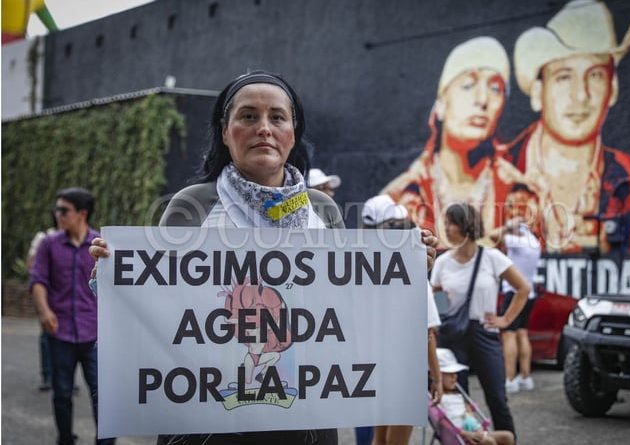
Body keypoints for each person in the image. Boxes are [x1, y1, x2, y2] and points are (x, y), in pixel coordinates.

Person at [89, 70, 439, 445]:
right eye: (248, 116)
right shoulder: (193, 205)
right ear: (225, 131)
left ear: (293, 132)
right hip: (208, 416)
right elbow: (160, 307)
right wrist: (115, 276)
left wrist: (404, 273)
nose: (264, 128)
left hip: (309, 413)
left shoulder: (322, 210)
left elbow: (351, 305)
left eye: (277, 117)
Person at [496, 0, 630, 253]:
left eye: (595, 75)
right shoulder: (494, 176)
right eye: (564, 77)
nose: (580, 95)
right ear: (538, 93)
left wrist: (616, 254)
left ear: (612, 89)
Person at [382, 36, 512, 247]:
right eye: (468, 85)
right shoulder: (401, 194)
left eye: (495, 89)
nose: (482, 100)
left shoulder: (518, 189)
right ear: (440, 105)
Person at [431, 203, 529, 439]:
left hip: (484, 334)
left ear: (467, 226)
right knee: (457, 402)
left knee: (497, 398)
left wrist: (505, 319)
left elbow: (523, 288)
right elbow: (435, 301)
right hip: (452, 336)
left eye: (451, 224)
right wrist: (445, 298)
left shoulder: (491, 257)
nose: (446, 229)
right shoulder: (443, 262)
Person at [29, 188, 115, 445]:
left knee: (104, 396)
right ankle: (65, 439)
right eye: (56, 210)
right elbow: (38, 280)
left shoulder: (101, 246)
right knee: (62, 394)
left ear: (82, 213)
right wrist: (44, 311)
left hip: (96, 334)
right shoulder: (48, 244)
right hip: (60, 332)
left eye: (63, 210)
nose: (57, 214)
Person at [361, 194, 443, 445]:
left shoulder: (359, 273)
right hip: (405, 370)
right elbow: (426, 332)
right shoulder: (411, 272)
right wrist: (436, 377)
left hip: (374, 368)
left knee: (380, 438)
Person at [489, 185, 542, 393]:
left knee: (508, 335)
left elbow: (493, 236)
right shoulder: (534, 242)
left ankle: (510, 378)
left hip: (514, 292)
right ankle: (525, 377)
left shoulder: (518, 241)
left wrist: (508, 225)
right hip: (530, 293)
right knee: (522, 333)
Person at [437, 348, 514, 445]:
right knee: (488, 442)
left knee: (508, 436)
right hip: (459, 437)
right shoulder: (437, 400)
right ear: (436, 376)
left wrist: (477, 427)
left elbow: (467, 416)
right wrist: (466, 434)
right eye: (449, 374)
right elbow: (444, 425)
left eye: (455, 373)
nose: (455, 377)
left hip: (472, 432)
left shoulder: (457, 395)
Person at [27, 214, 58, 392]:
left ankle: (64, 377)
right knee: (47, 336)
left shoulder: (82, 238)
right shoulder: (44, 238)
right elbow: (31, 264)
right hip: (50, 294)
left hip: (71, 298)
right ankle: (47, 375)